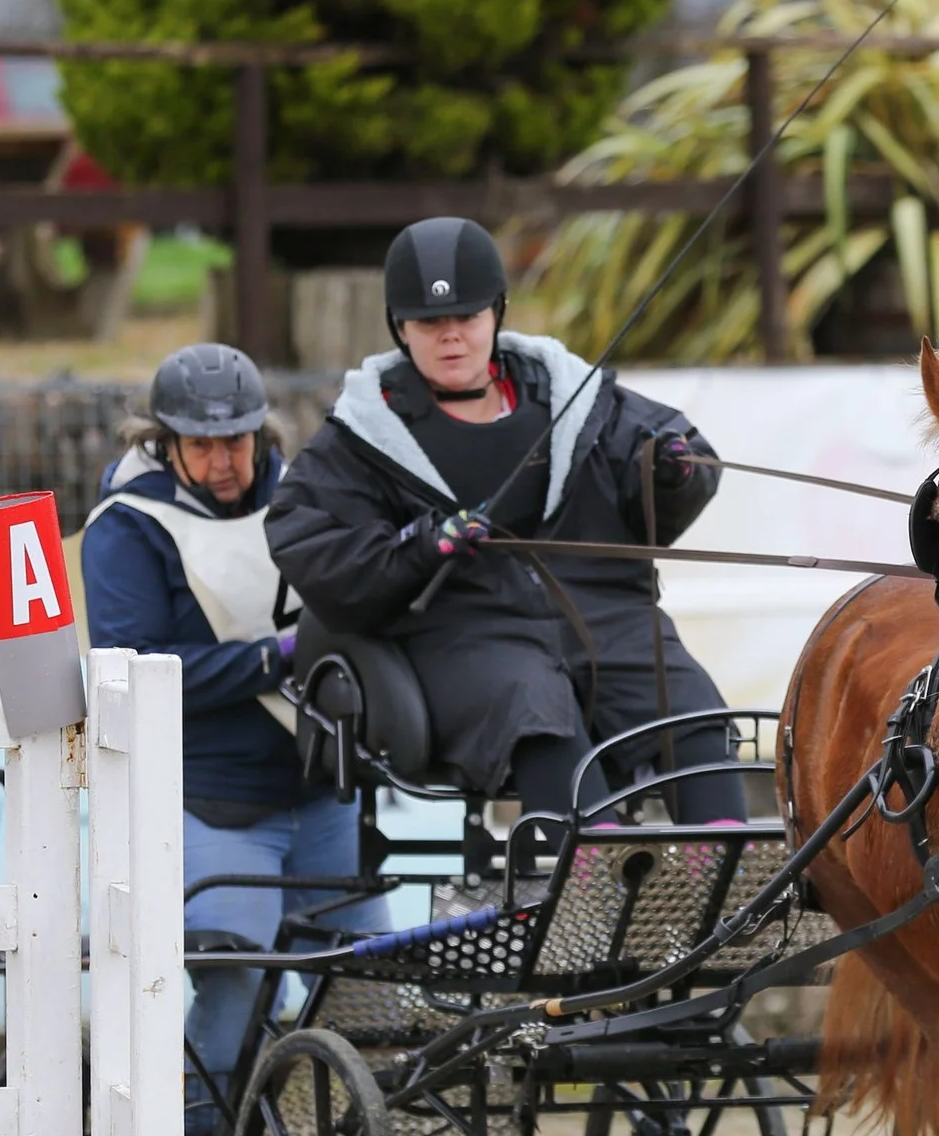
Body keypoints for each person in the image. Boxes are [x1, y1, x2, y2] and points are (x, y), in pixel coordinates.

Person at [266, 218, 745, 844]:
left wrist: (677, 469)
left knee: (690, 703)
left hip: (609, 618)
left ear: (497, 312)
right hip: (465, 635)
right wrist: (421, 546)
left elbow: (668, 455)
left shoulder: (574, 396)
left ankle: (726, 872)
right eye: (430, 323)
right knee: (532, 708)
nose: (452, 337)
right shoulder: (362, 436)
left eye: (466, 317)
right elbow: (308, 538)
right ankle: (596, 880)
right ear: (399, 328)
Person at [81, 343, 385, 1136]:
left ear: (262, 432)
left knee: (372, 990)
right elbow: (138, 665)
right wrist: (273, 658)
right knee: (236, 986)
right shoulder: (127, 528)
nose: (224, 461)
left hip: (324, 793)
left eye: (239, 440)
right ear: (165, 440)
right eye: (204, 444)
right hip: (214, 803)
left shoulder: (304, 497)